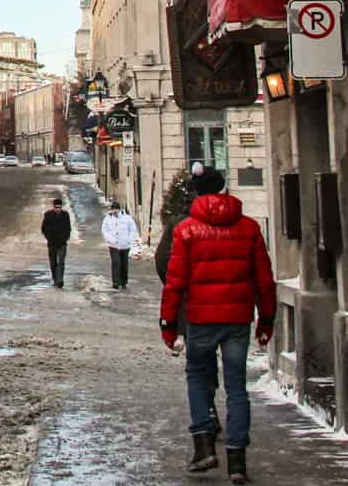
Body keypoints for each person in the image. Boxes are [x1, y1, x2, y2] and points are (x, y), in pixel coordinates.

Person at [158, 167, 276, 485]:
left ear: (197, 192)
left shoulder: (188, 230)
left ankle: (204, 446)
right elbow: (265, 280)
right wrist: (267, 320)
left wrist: (169, 323)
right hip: (238, 319)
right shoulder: (249, 228)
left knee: (197, 377)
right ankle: (237, 460)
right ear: (223, 189)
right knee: (237, 388)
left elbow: (175, 282)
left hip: (200, 319)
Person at [101, 202, 140, 289]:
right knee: (115, 262)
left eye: (116, 209)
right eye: (113, 209)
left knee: (124, 264)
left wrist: (129, 240)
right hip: (113, 245)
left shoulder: (127, 218)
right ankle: (115, 282)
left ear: (119, 209)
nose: (114, 211)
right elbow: (104, 230)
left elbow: (133, 230)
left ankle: (123, 282)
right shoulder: (108, 219)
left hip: (124, 245)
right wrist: (109, 239)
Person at [40, 197, 72, 288]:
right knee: (53, 263)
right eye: (56, 207)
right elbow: (43, 228)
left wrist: (66, 238)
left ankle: (60, 280)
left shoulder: (65, 215)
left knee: (61, 262)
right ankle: (55, 279)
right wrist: (49, 238)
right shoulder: (48, 215)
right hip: (52, 243)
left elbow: (68, 228)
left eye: (59, 207)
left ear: (61, 207)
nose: (58, 209)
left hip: (62, 243)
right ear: (53, 207)